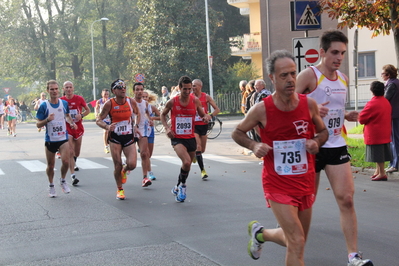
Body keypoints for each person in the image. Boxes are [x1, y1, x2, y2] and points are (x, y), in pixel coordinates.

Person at [232, 50, 328, 265]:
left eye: (293, 74)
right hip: (277, 183)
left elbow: (323, 132)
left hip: (305, 182)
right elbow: (237, 132)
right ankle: (261, 234)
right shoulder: (261, 110)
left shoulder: (309, 105)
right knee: (297, 239)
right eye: (284, 75)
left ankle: (260, 234)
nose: (290, 79)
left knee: (295, 239)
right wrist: (254, 144)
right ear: (272, 78)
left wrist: (316, 142)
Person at [296, 30, 373, 266]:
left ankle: (353, 256)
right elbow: (286, 106)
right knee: (306, 202)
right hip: (311, 146)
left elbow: (337, 110)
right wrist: (310, 110)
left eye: (342, 53)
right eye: (334, 52)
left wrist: (348, 115)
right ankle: (285, 242)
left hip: (336, 143)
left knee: (347, 199)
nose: (339, 57)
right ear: (322, 52)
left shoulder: (343, 78)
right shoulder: (308, 76)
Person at [161, 76, 211, 202]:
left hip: (190, 137)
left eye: (190, 89)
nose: (188, 92)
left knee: (186, 166)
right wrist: (167, 128)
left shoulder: (195, 101)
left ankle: (177, 185)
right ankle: (183, 187)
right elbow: (162, 114)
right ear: (180, 88)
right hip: (177, 138)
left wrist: (206, 117)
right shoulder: (173, 101)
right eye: (185, 89)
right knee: (187, 162)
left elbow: (202, 114)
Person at [96, 79, 141, 200]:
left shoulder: (131, 102)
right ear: (113, 91)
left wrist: (136, 126)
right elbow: (98, 120)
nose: (123, 89)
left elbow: (137, 114)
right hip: (115, 137)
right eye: (119, 87)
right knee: (117, 165)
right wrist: (107, 126)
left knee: (132, 164)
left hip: (128, 136)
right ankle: (120, 189)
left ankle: (125, 170)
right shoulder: (109, 104)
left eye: (124, 87)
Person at [36, 80, 77, 198]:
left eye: (56, 89)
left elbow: (67, 116)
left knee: (65, 161)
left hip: (63, 137)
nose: (54, 91)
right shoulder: (44, 106)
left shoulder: (64, 104)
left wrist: (72, 123)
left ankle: (63, 180)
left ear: (59, 90)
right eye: (52, 89)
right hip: (50, 139)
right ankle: (51, 185)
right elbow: (38, 124)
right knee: (50, 165)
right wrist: (47, 120)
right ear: (48, 91)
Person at [358, 81, 392, 181]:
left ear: (372, 91)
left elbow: (362, 119)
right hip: (385, 131)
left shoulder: (372, 103)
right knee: (381, 153)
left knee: (377, 154)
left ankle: (382, 173)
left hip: (375, 133)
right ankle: (378, 171)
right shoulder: (386, 101)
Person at [61, 81, 91, 186]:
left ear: (73, 88)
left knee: (77, 152)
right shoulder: (61, 100)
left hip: (78, 128)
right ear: (63, 89)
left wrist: (81, 115)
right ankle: (73, 175)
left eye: (70, 87)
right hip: (67, 128)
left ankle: (74, 161)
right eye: (66, 87)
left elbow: (88, 110)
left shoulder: (79, 99)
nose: (68, 89)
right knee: (70, 151)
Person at [192, 79, 220, 179]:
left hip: (204, 125)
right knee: (198, 147)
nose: (193, 88)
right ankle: (203, 170)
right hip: (193, 125)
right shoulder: (190, 97)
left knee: (202, 150)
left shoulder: (206, 96)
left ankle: (196, 155)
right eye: (192, 86)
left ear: (200, 86)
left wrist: (210, 116)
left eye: (195, 86)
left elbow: (217, 109)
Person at [132, 82, 153, 187]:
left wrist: (150, 120)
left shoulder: (145, 103)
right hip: (130, 131)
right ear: (134, 91)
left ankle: (145, 178)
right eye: (137, 89)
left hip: (142, 131)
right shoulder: (129, 102)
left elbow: (147, 113)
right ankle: (125, 168)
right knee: (131, 160)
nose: (139, 91)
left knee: (144, 154)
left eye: (141, 89)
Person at [382, 64, 399, 174]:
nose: (382, 75)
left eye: (383, 73)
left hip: (394, 115)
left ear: (388, 75)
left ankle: (394, 164)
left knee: (394, 140)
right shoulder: (396, 82)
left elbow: (385, 99)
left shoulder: (391, 84)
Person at [143, 90, 161, 180]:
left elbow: (162, 116)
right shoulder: (136, 107)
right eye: (143, 97)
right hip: (141, 132)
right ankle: (149, 173)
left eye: (146, 97)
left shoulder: (152, 108)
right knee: (145, 154)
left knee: (149, 155)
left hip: (150, 132)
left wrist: (153, 118)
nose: (144, 98)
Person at [95, 89, 111, 154]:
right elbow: (96, 109)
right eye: (105, 94)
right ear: (102, 94)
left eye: (107, 94)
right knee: (105, 131)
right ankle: (106, 146)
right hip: (103, 119)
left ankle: (108, 141)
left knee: (110, 132)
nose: (106, 96)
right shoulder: (99, 101)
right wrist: (96, 115)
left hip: (110, 118)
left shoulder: (111, 101)